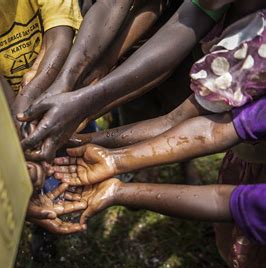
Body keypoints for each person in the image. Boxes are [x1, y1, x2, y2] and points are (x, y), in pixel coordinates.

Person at [49, 8, 266, 268]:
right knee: (237, 240)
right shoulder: (242, 34)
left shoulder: (252, 52)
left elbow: (236, 203)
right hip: (248, 160)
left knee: (253, 252)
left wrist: (119, 184)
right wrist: (110, 161)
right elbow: (214, 134)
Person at [18, 0, 265, 161]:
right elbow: (183, 21)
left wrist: (81, 108)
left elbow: (185, 121)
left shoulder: (253, 48)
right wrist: (69, 86)